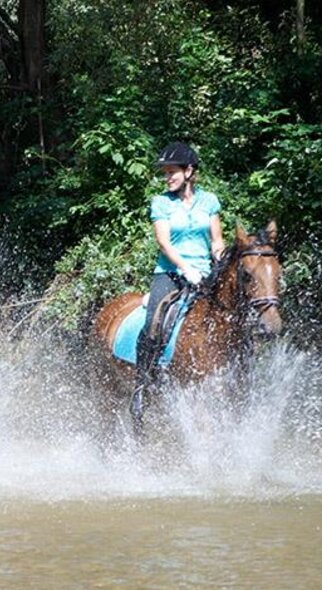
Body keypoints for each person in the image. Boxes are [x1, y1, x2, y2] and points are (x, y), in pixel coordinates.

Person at [130, 141, 224, 418]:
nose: (167, 177)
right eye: (165, 173)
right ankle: (141, 385)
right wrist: (185, 268)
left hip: (205, 272)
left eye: (172, 172)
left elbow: (217, 241)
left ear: (189, 171)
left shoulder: (209, 201)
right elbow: (164, 243)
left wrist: (219, 260)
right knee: (154, 322)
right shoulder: (161, 203)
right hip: (170, 273)